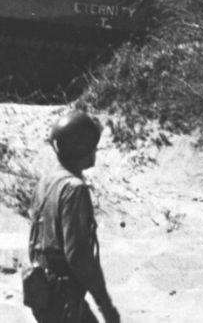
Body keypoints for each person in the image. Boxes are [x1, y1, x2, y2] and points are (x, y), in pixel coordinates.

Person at [26, 111, 120, 323]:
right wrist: (105, 304)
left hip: (41, 291)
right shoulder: (74, 188)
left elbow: (34, 242)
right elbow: (78, 255)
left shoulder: (45, 182)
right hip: (63, 296)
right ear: (83, 148)